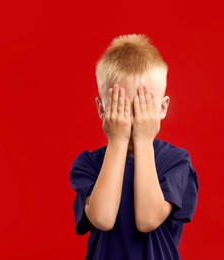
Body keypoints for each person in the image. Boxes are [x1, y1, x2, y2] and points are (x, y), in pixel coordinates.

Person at [69, 34, 199, 260]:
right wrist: (117, 141)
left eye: (141, 109)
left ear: (162, 107)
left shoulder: (175, 161)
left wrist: (144, 141)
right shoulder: (88, 163)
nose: (131, 121)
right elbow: (103, 218)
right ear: (102, 109)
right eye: (120, 109)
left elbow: (148, 220)